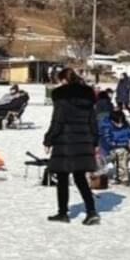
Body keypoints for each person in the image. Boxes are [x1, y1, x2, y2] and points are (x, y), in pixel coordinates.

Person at [44, 69, 100, 225]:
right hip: (84, 140)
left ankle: (62, 213)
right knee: (80, 178)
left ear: (63, 80)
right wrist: (95, 141)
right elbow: (93, 122)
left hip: (65, 141)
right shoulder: (88, 96)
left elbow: (57, 121)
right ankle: (91, 211)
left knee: (62, 178)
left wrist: (49, 140)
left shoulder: (62, 96)